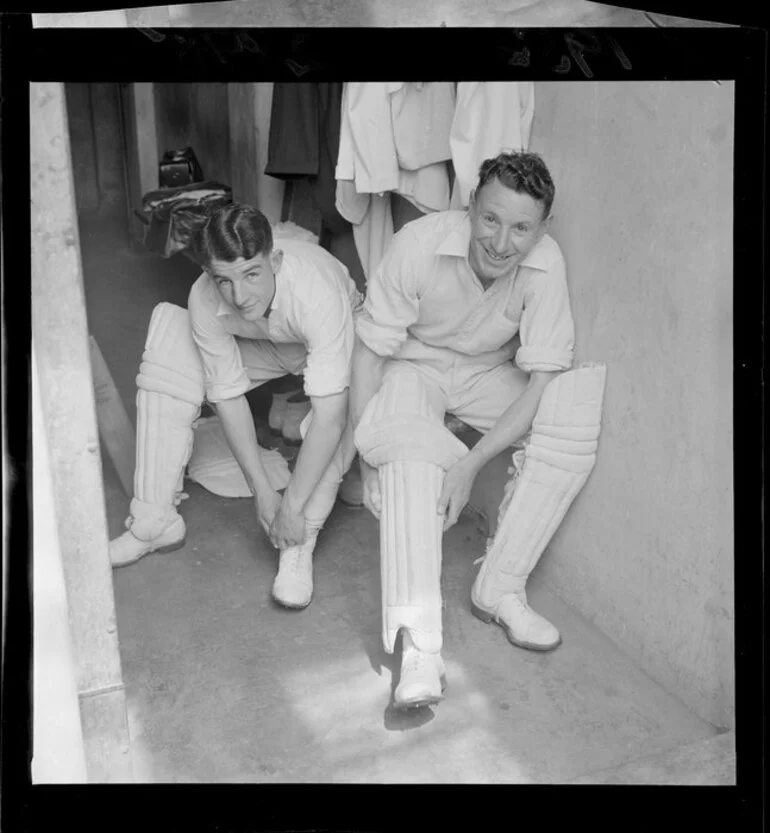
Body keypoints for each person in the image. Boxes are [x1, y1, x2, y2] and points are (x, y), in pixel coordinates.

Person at [350, 151, 606, 709]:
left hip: (489, 374)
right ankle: (417, 644)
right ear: (471, 207)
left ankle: (500, 587)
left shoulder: (545, 262)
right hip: (412, 367)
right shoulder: (416, 245)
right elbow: (368, 356)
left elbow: (540, 381)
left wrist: (469, 465)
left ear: (541, 229)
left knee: (573, 400)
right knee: (409, 450)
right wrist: (367, 456)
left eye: (521, 228)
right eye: (491, 220)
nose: (501, 242)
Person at [110, 203, 361, 610]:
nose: (239, 295)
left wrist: (289, 505)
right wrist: (262, 490)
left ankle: (296, 541)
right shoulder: (205, 296)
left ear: (274, 260)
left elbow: (330, 419)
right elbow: (226, 397)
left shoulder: (316, 292)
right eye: (223, 280)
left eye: (251, 275)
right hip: (268, 343)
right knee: (172, 342)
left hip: (342, 336)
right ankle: (155, 520)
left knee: (338, 415)